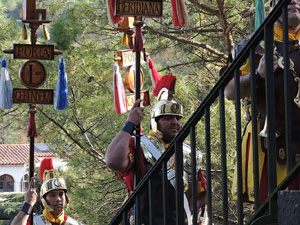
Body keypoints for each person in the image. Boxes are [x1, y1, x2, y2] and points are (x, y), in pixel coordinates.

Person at [225, 0, 300, 204]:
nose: (294, 1)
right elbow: (230, 91)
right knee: (275, 214)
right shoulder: (256, 43)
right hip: (272, 147)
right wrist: (257, 75)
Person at [105, 75, 207, 225]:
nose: (175, 122)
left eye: (177, 118)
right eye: (167, 118)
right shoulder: (140, 145)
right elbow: (113, 161)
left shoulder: (189, 153)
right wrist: (130, 123)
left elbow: (200, 195)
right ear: (155, 122)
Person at [11, 158, 83, 225]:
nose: (58, 199)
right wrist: (28, 203)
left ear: (66, 197)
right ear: (44, 199)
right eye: (52, 195)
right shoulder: (34, 222)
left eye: (61, 194)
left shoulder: (73, 223)